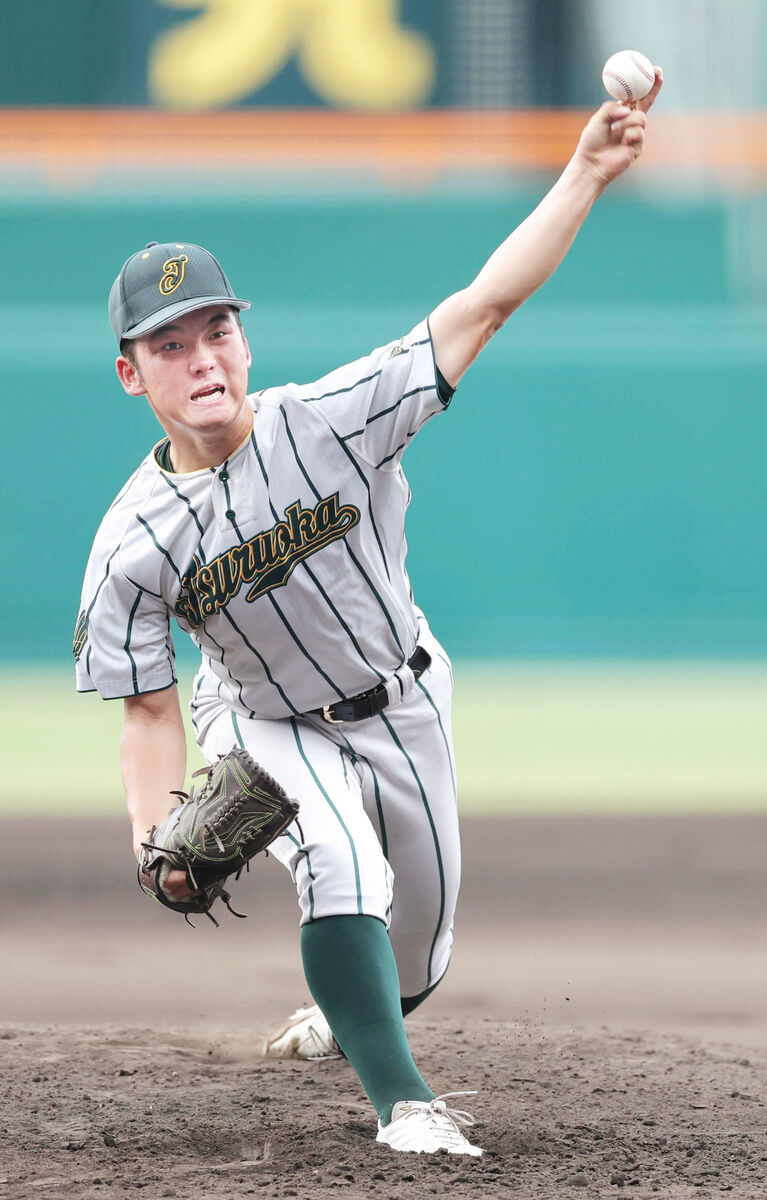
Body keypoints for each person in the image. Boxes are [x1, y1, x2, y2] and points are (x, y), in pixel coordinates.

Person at [73, 73, 661, 1158]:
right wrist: (155, 840)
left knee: (418, 963)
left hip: (404, 699)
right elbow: (149, 712)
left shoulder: (332, 421)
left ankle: (350, 1018)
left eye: (214, 331)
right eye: (169, 345)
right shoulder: (132, 542)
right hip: (264, 721)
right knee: (338, 860)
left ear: (243, 343)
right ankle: (406, 1107)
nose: (200, 357)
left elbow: (480, 305)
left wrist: (582, 169)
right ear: (130, 375)